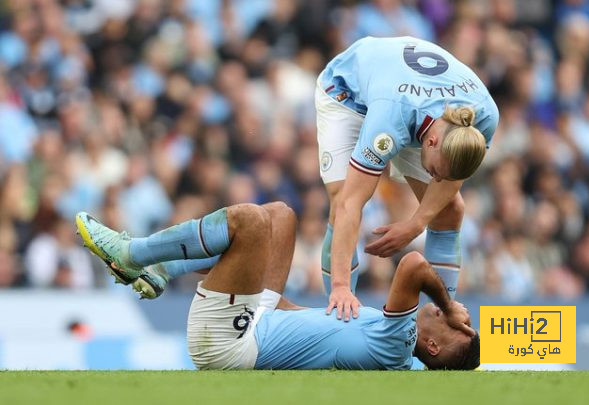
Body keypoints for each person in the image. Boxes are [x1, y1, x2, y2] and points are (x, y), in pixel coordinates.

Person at [75, 202, 479, 370]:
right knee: (281, 216)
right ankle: (159, 270)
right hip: (260, 319)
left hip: (230, 343)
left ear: (432, 346)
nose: (452, 314)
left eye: (455, 325)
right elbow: (314, 329)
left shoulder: (397, 342)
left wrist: (447, 299)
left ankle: (135, 254)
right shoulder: (397, 355)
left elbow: (412, 265)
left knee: (248, 222)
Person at [315, 36, 499, 320]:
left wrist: (416, 224)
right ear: (433, 141)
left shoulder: (483, 116)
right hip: (346, 93)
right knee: (342, 194)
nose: (437, 178)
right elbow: (350, 204)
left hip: (406, 97)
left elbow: (451, 180)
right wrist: (340, 285)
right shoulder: (390, 119)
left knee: (449, 209)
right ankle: (339, 308)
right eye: (437, 172)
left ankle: (443, 316)